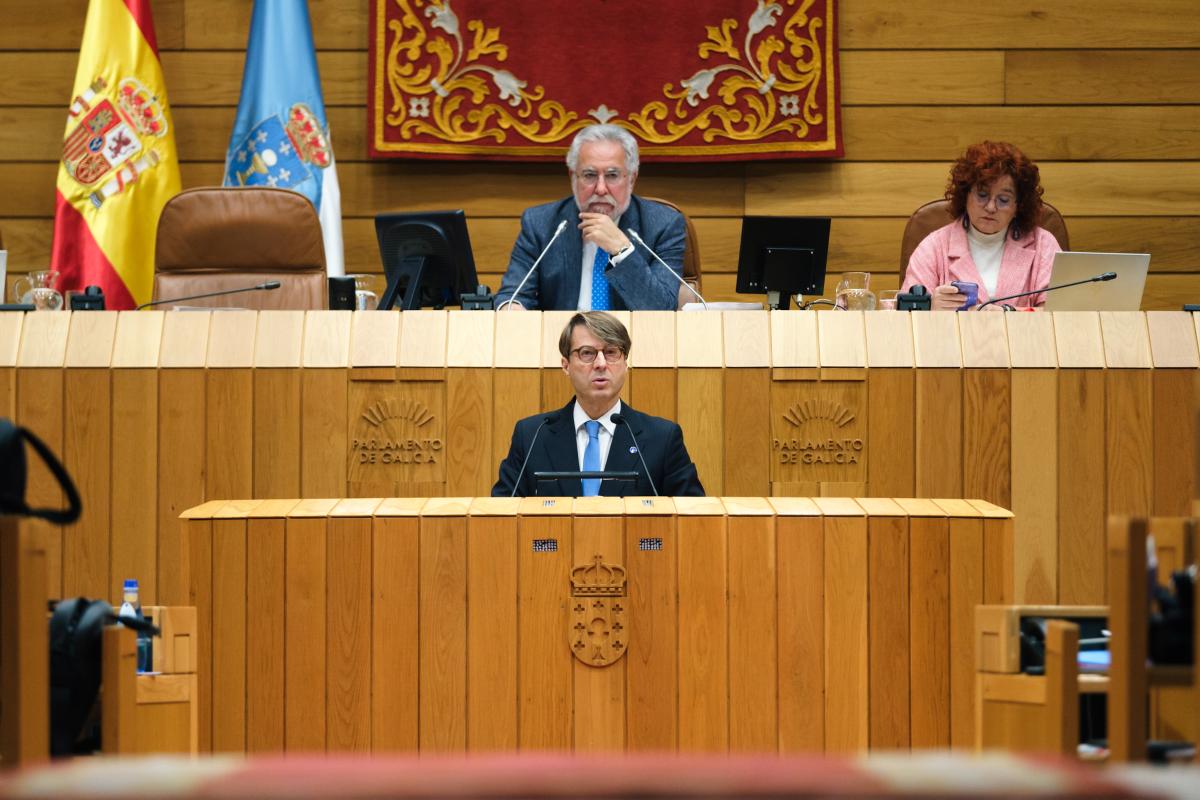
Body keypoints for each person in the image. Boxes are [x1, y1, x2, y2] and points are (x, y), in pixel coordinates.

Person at [492, 311, 704, 498]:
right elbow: (502, 515)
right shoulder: (532, 436)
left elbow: (692, 517)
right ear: (566, 365)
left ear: (625, 363)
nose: (601, 364)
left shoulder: (662, 438)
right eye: (587, 353)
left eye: (611, 352)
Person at [494, 125, 687, 311]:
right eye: (589, 175)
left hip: (633, 333)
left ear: (632, 179)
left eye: (612, 175)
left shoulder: (663, 225)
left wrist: (622, 252)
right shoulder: (541, 224)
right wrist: (512, 309)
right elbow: (512, 295)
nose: (601, 189)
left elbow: (662, 309)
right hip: (561, 333)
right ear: (573, 177)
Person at [902, 141, 1062, 309]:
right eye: (982, 195)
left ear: (1018, 205)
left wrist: (1008, 313)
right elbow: (907, 313)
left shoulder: (1043, 244)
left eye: (1003, 200)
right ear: (965, 196)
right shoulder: (933, 247)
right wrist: (930, 308)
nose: (991, 207)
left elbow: (1059, 313)